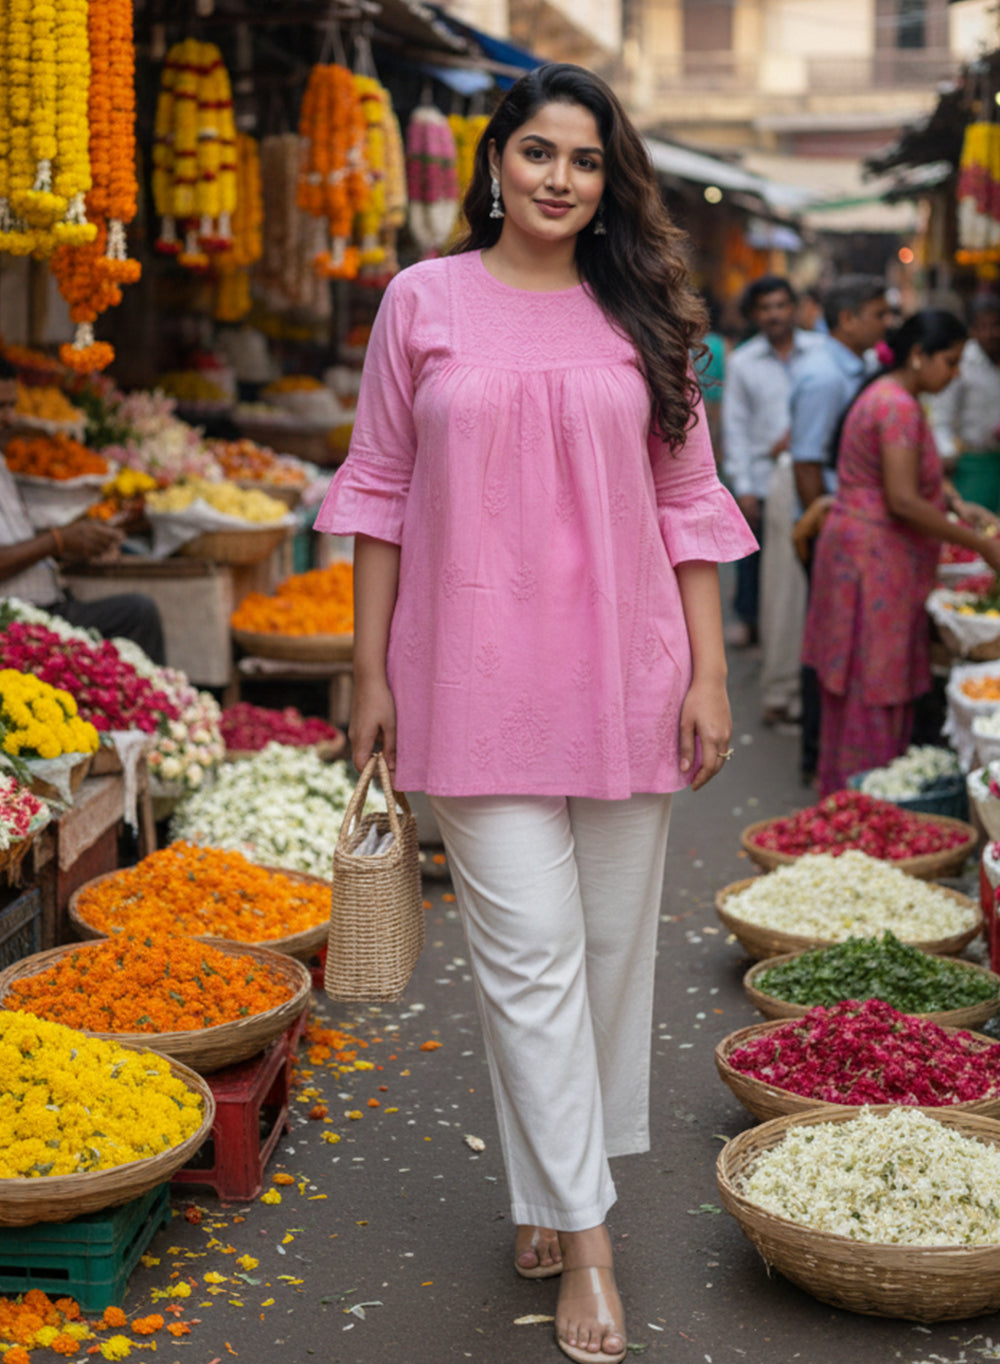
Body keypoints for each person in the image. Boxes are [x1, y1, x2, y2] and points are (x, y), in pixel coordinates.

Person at [314, 62, 756, 1364]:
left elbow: (690, 504)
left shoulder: (644, 315)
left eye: (585, 160)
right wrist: (370, 672)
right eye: (537, 153)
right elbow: (379, 489)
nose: (560, 179)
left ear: (609, 182)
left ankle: (543, 1189)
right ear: (493, 161)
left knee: (608, 959)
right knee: (529, 960)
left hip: (627, 674)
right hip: (467, 677)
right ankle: (590, 1239)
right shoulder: (421, 303)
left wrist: (713, 670)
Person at [802, 310, 1000, 796]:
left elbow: (911, 478)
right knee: (874, 683)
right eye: (950, 362)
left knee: (862, 682)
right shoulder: (897, 407)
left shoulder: (895, 397)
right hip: (874, 561)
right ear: (919, 356)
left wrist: (956, 504)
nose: (955, 374)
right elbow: (903, 499)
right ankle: (862, 798)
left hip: (868, 554)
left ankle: (853, 795)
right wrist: (982, 544)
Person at [789, 274, 890, 783]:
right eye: (879, 313)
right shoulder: (825, 376)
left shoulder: (857, 367)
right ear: (847, 319)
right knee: (823, 644)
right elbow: (806, 462)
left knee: (837, 639)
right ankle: (813, 753)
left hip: (840, 520)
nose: (886, 323)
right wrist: (823, 527)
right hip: (827, 522)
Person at [721, 275, 822, 713]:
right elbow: (736, 428)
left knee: (803, 582)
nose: (775, 314)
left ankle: (798, 664)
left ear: (795, 307)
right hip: (766, 479)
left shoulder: (820, 353)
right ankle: (772, 654)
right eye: (766, 308)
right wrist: (743, 486)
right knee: (765, 575)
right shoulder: (743, 361)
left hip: (814, 479)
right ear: (754, 315)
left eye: (782, 305)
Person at [0, 459, 166, 663]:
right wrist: (57, 540)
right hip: (15, 618)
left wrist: (76, 543)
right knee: (139, 612)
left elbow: (19, 537)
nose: (9, 424)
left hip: (52, 603)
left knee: (137, 613)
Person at [927, 295, 1000, 512]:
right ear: (972, 330)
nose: (990, 334)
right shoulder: (962, 362)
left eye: (996, 325)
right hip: (972, 464)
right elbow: (941, 418)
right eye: (982, 327)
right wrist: (947, 455)